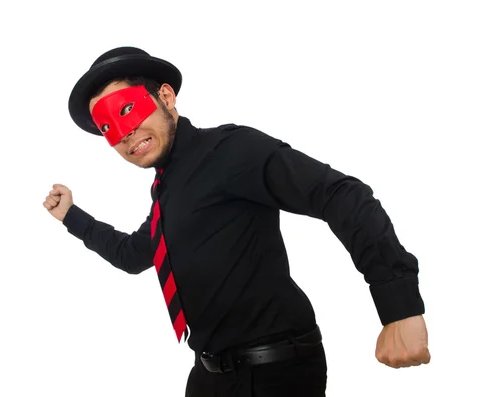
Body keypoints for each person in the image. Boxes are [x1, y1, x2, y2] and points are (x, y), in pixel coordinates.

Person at [43, 46, 431, 396]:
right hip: (210, 375)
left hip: (275, 373)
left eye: (127, 110)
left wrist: (399, 305)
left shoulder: (230, 151)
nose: (125, 134)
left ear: (165, 96)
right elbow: (133, 255)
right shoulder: (166, 192)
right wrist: (71, 216)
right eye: (108, 128)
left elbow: (340, 194)